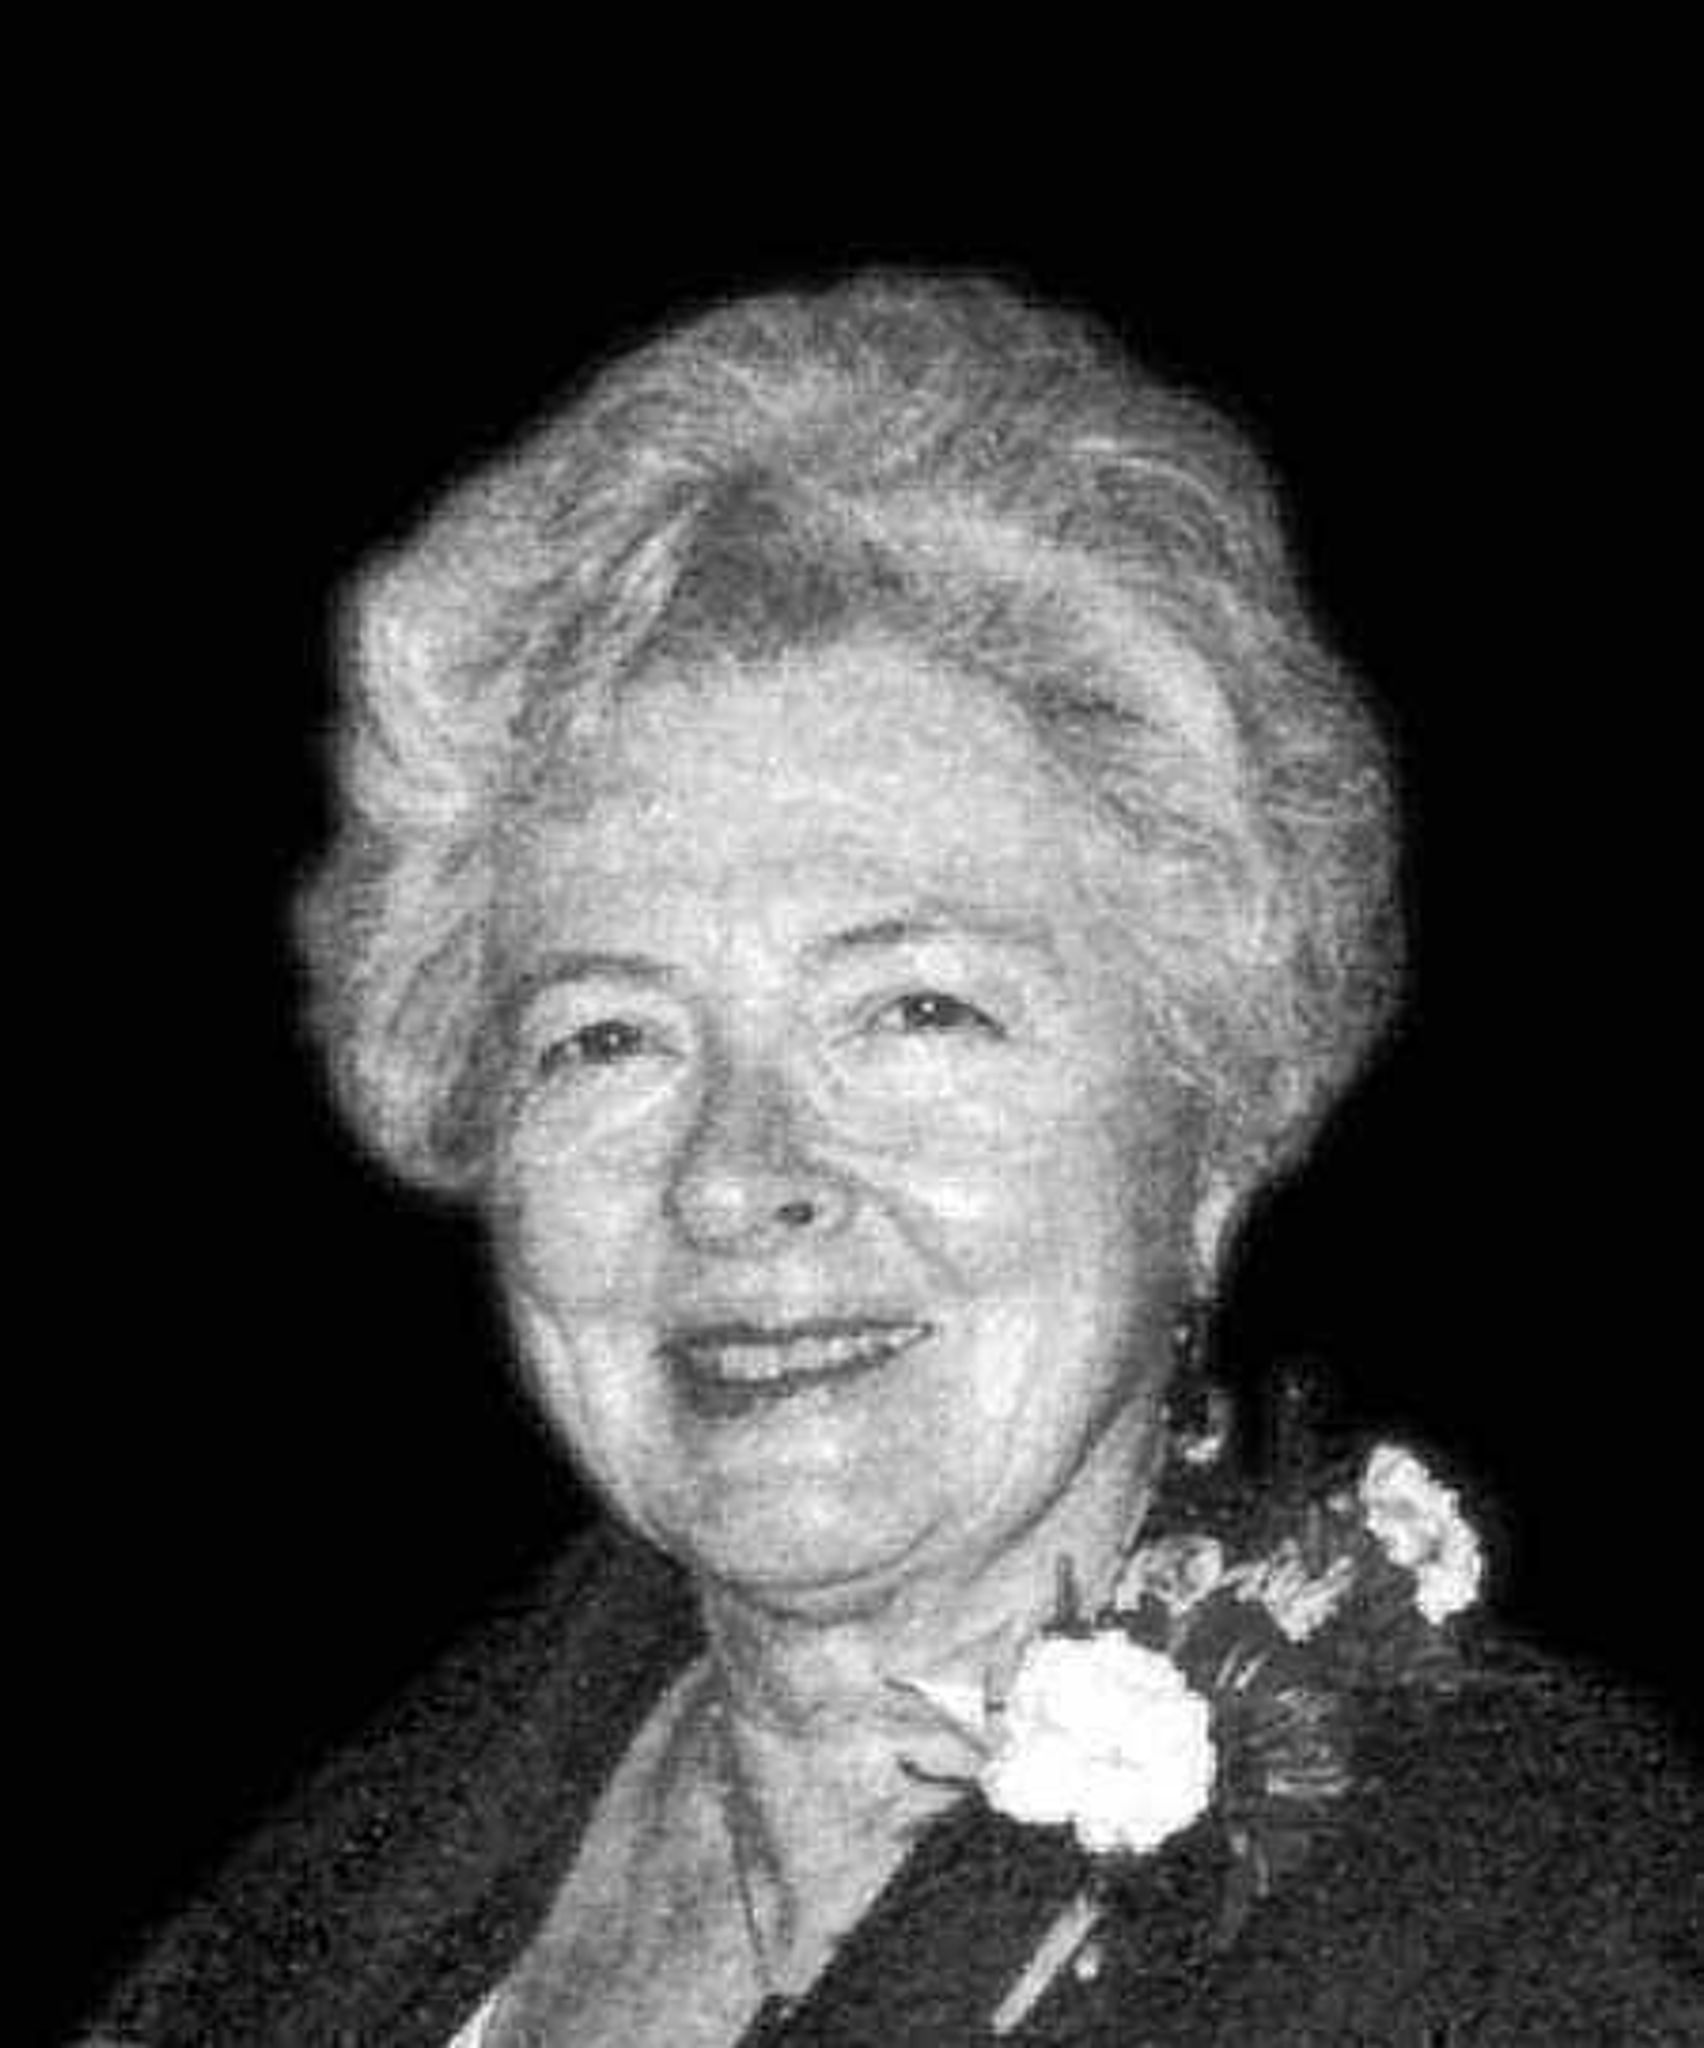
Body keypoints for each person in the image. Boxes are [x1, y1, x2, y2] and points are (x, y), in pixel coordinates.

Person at [82, 272, 1699, 2044]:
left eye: (915, 1012)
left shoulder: (1538, 1932)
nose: (734, 1176)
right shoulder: (371, 1859)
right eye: (608, 1037)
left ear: (1210, 1129)